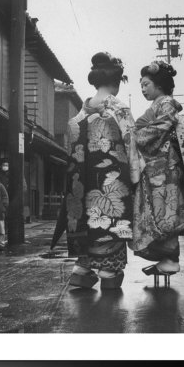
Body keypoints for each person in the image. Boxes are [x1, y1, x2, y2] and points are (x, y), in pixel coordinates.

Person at [52, 52, 142, 289]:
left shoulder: (79, 116)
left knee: (85, 225)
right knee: (111, 223)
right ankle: (108, 273)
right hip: (112, 183)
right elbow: (133, 148)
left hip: (82, 186)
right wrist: (136, 178)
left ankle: (82, 270)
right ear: (116, 81)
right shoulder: (120, 110)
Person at [131, 61, 184, 286]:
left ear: (159, 85)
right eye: (141, 85)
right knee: (159, 213)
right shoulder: (159, 104)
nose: (142, 89)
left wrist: (135, 135)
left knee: (164, 213)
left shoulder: (166, 104)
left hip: (164, 168)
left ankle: (170, 258)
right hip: (157, 169)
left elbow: (160, 128)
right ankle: (166, 258)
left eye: (146, 84)